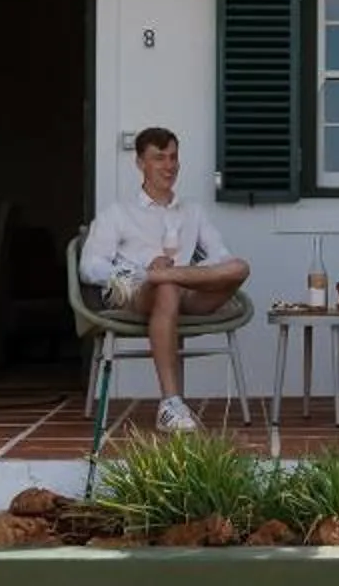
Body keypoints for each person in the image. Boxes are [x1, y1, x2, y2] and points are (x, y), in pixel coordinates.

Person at [77, 127, 249, 433]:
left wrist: (181, 274)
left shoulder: (192, 211)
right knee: (165, 287)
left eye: (173, 157)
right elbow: (90, 266)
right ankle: (171, 404)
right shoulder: (118, 213)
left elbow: (222, 258)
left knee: (239, 268)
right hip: (137, 294)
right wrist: (144, 271)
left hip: (188, 293)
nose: (169, 166)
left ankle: (163, 277)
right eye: (159, 158)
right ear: (141, 163)